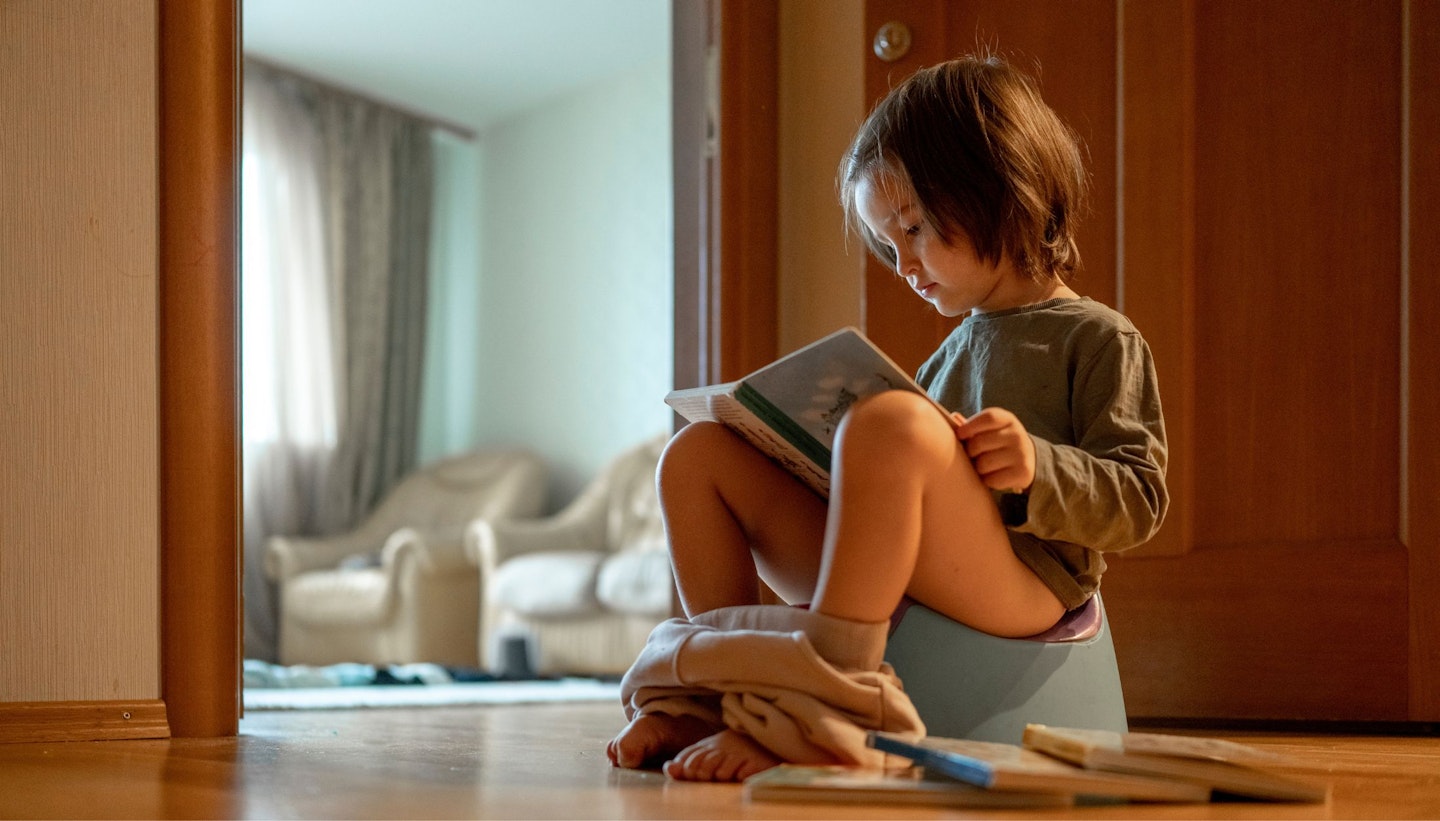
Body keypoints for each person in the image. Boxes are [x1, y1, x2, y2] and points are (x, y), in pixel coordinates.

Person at [607, 52, 1168, 783]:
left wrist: (1038, 467)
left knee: (894, 424)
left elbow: (1141, 498)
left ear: (1000, 188)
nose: (903, 263)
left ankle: (822, 713)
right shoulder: (947, 355)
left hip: (1030, 585)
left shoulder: (1097, 338)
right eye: (887, 242)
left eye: (914, 227)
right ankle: (725, 696)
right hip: (918, 575)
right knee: (698, 455)